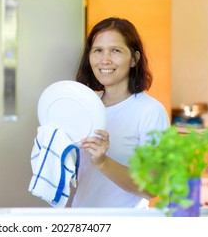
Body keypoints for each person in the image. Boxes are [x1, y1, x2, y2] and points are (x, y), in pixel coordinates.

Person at [71, 17, 170, 208]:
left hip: (126, 224)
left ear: (134, 59)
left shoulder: (150, 111)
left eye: (115, 50)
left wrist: (102, 162)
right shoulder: (84, 108)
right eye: (98, 50)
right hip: (82, 220)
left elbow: (152, 187)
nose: (104, 60)